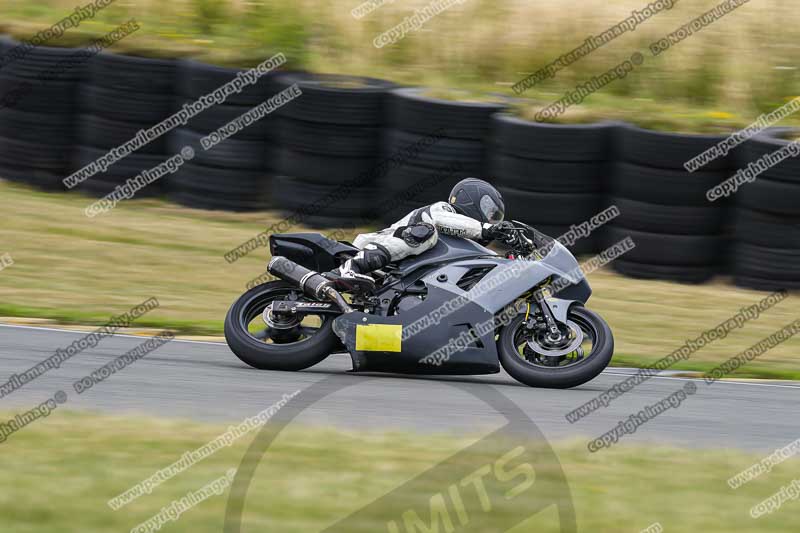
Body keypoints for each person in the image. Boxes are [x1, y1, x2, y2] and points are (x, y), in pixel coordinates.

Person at [327, 178, 515, 292]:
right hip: (377, 246)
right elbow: (442, 220)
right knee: (426, 232)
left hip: (399, 275)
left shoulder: (462, 242)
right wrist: (486, 229)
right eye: (490, 212)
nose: (492, 220)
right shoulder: (443, 210)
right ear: (471, 199)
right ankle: (352, 266)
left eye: (495, 217)